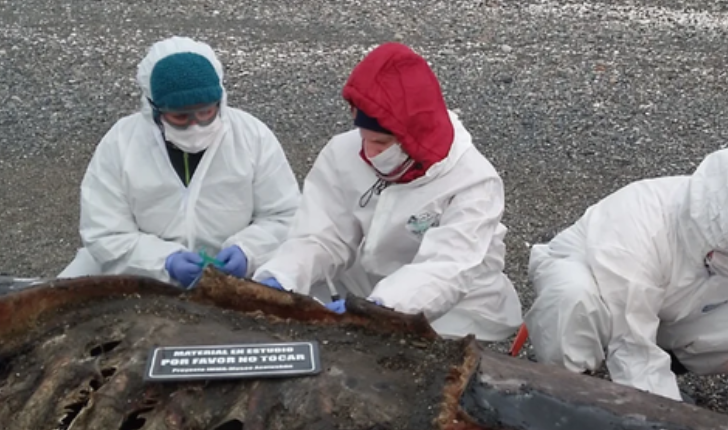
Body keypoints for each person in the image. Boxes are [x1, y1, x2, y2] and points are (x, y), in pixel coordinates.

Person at [251, 42, 523, 342]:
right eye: (363, 136)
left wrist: (383, 308)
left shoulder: (474, 181)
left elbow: (446, 267)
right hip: (367, 285)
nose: (368, 151)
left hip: (457, 304)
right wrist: (281, 276)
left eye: (381, 143)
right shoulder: (342, 152)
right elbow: (322, 236)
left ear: (415, 135)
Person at [523, 147, 728, 428]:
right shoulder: (639, 228)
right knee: (573, 297)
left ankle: (665, 373)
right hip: (597, 285)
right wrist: (670, 418)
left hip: (663, 309)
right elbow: (633, 345)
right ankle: (566, 390)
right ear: (703, 226)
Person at [58, 36, 301, 288]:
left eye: (206, 112)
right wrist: (164, 261)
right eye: (179, 116)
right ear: (153, 109)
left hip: (237, 276)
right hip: (138, 273)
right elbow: (104, 232)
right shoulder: (121, 143)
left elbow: (285, 215)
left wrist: (248, 251)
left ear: (221, 101)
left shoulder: (252, 136)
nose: (195, 125)